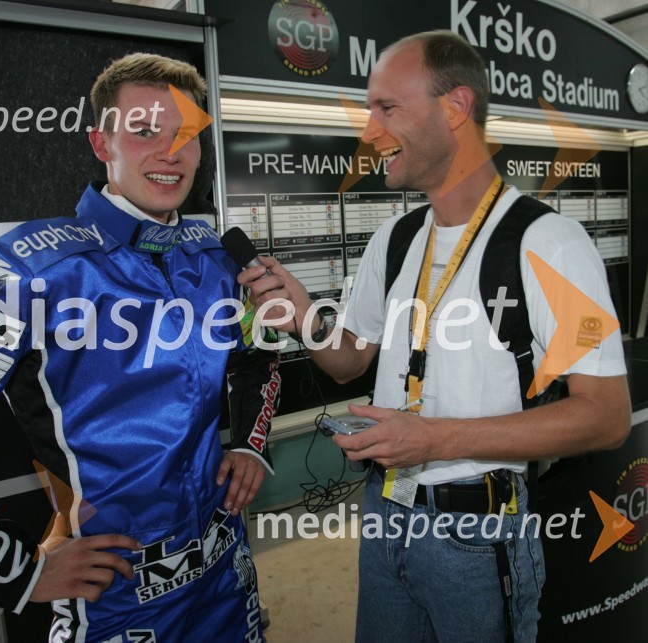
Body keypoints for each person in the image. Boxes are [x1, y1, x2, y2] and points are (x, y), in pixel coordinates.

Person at [0, 53, 278, 642]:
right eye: (144, 132)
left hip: (226, 573)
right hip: (116, 598)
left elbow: (260, 351)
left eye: (186, 135)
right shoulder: (28, 272)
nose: (170, 152)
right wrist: (19, 570)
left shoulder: (216, 257)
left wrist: (250, 445)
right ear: (101, 142)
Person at [238, 31, 630, 642]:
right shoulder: (393, 241)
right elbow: (348, 361)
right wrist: (304, 317)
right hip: (383, 516)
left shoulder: (551, 244)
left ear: (455, 108)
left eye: (386, 108)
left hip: (482, 533)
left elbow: (605, 417)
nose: (369, 131)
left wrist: (434, 439)